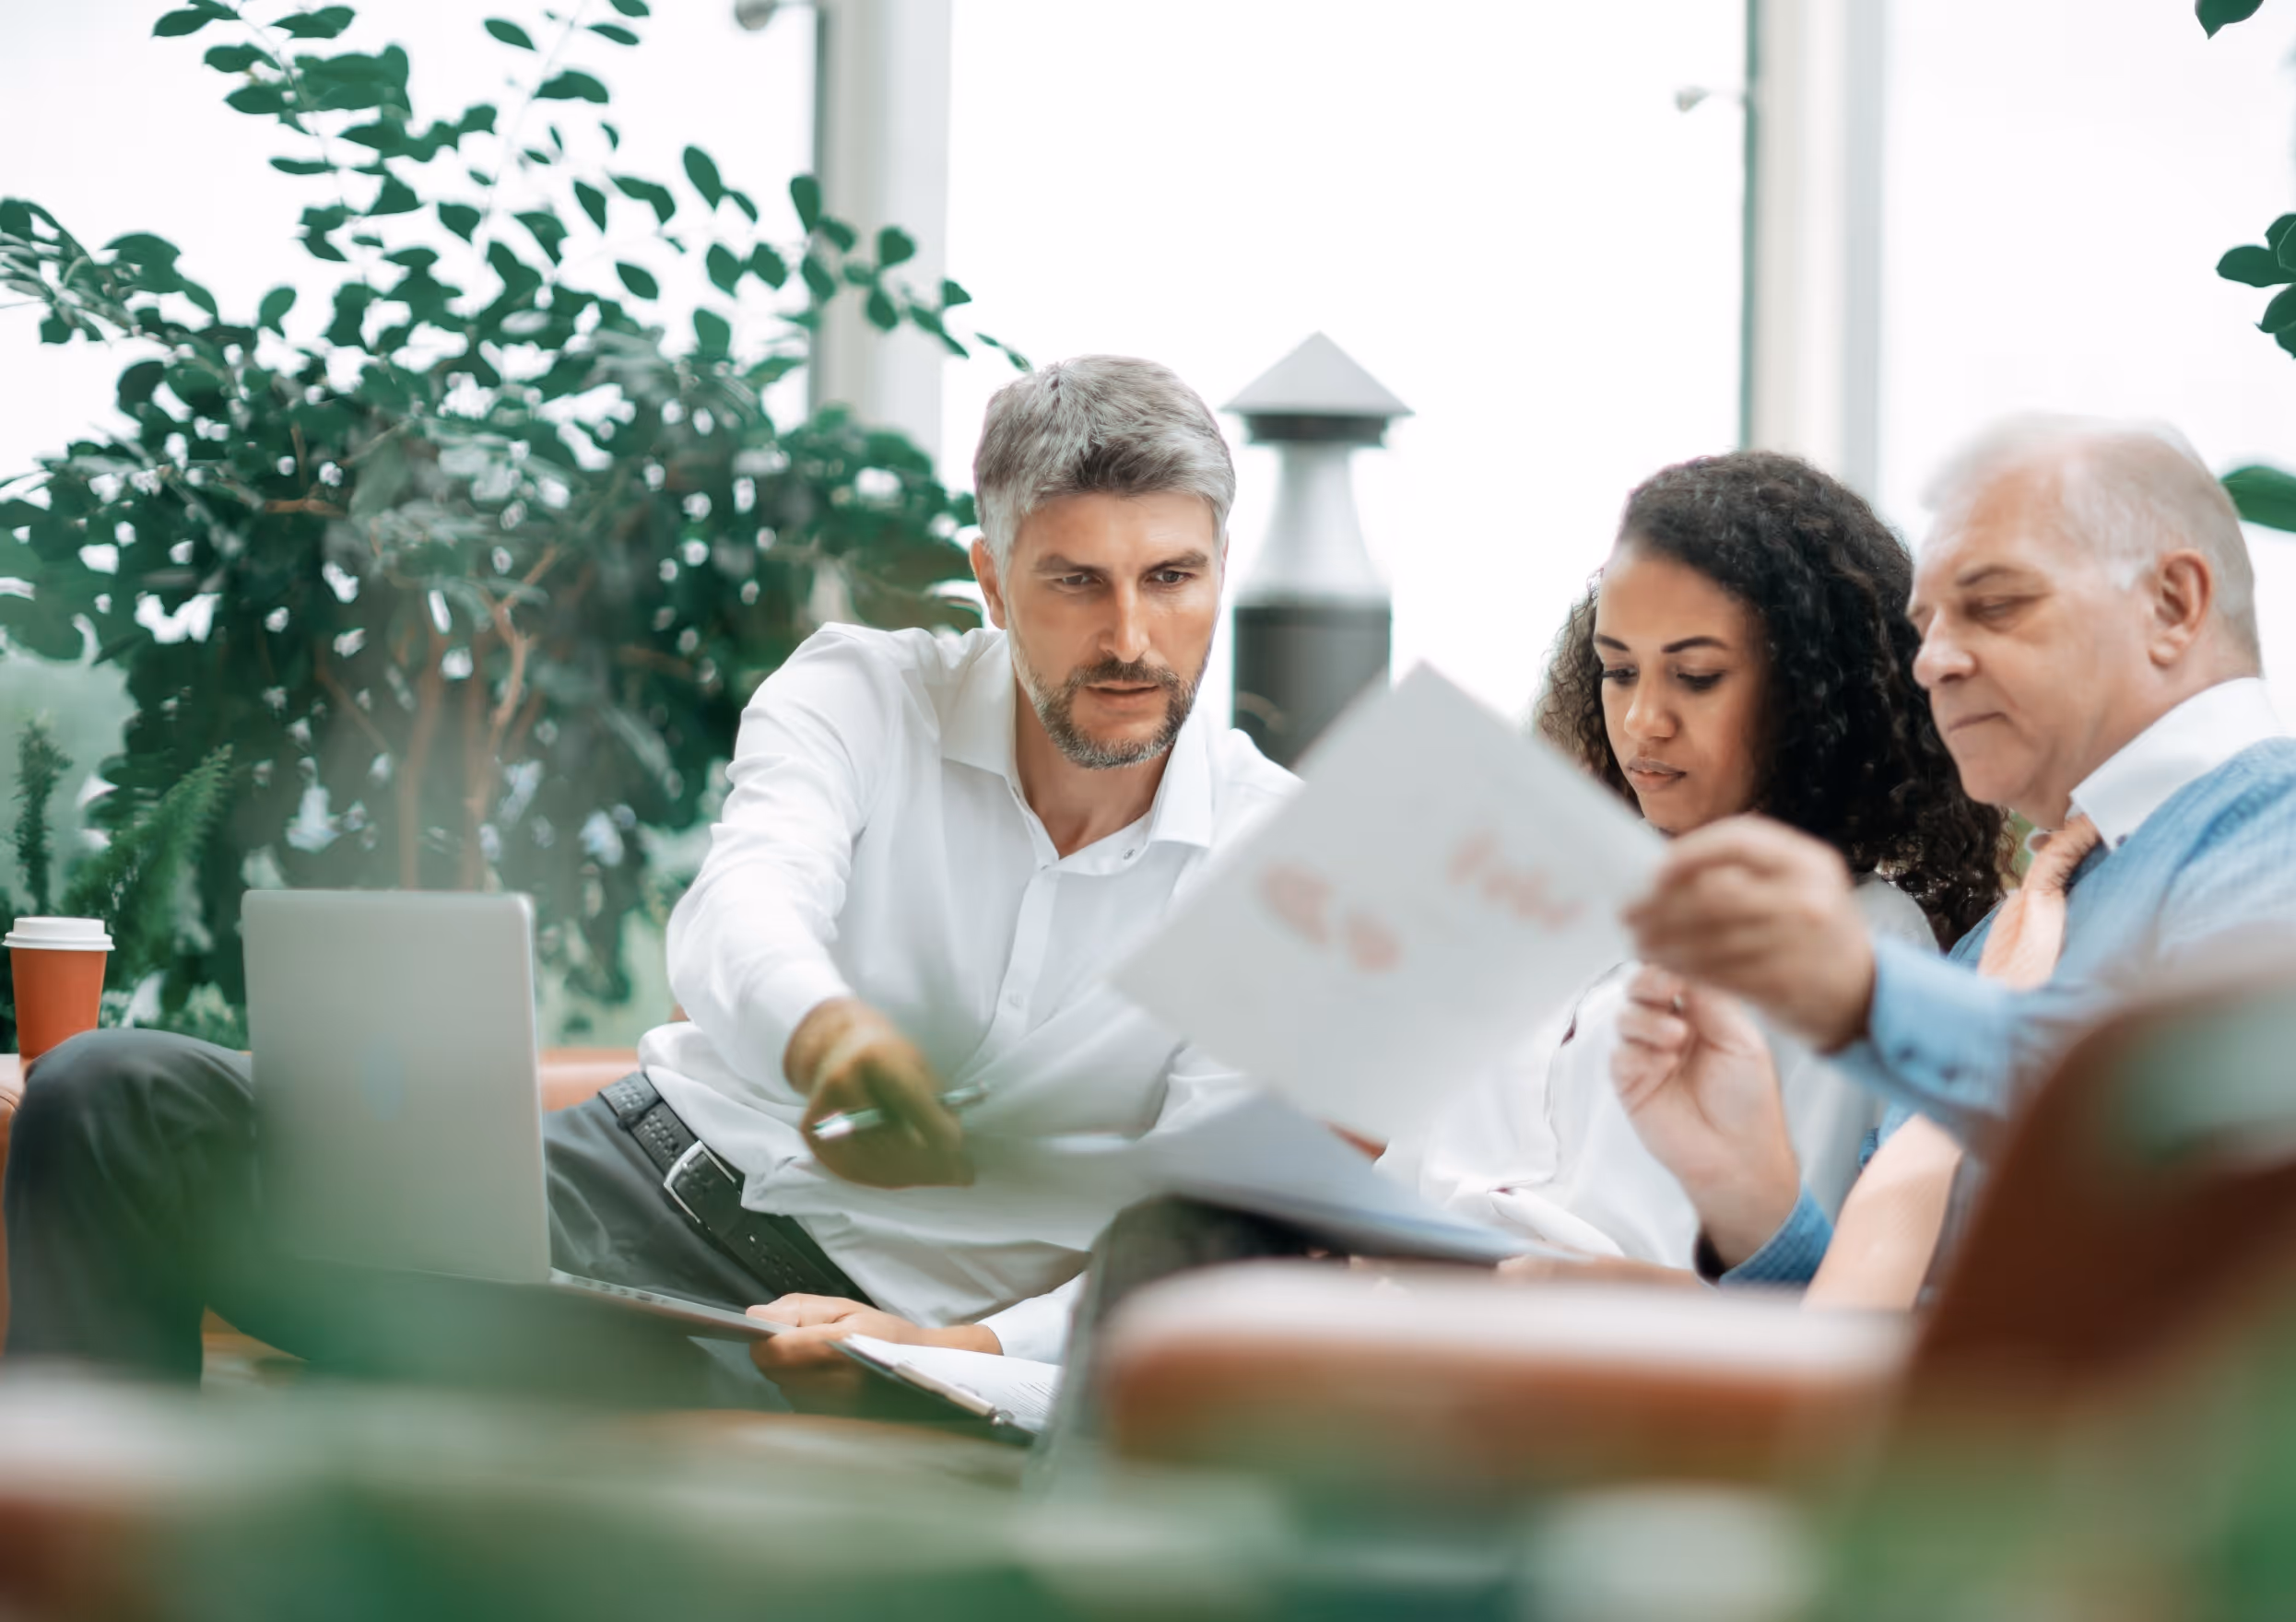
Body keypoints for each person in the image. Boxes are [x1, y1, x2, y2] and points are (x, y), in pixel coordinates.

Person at [4, 356, 1295, 1407]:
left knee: (602, 1426)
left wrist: (961, 1351)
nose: (1132, 639)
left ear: (1217, 575)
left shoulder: (1282, 866)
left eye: (1171, 579)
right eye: (1077, 583)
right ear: (993, 584)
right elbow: (747, 903)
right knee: (112, 1093)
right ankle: (101, 1560)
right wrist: (825, 1029)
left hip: (815, 1335)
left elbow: (1208, 1222)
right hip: (611, 1179)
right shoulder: (861, 690)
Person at [1619, 417, 2296, 1299]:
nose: (1934, 663)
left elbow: (2243, 1175)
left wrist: (1869, 998)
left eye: (1995, 605)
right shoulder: (1993, 949)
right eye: (1926, 625)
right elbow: (1919, 1338)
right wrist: (1751, 1195)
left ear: (2172, 606)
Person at [1378, 453, 2008, 1268]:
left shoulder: (1859, 941)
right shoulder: (1537, 888)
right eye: (1617, 670)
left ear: (1813, 690)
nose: (1643, 721)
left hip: (1610, 1370)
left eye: (1697, 677)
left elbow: (1794, 1274)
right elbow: (1401, 1169)